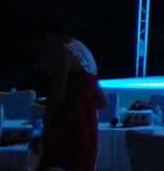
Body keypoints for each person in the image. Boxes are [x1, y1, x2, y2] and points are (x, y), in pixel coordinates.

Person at [31, 15, 108, 171]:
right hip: (87, 126)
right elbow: (103, 100)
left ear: (49, 36)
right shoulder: (84, 51)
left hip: (69, 128)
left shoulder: (65, 53)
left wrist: (46, 130)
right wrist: (80, 104)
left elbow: (57, 97)